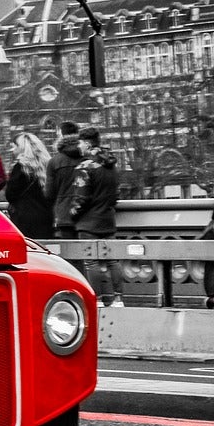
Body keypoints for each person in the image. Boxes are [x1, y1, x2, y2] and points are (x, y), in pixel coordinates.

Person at [71, 127, 123, 306]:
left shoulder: (84, 167)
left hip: (88, 223)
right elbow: (116, 194)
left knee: (91, 262)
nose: (79, 146)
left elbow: (81, 198)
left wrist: (73, 213)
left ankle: (97, 299)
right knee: (113, 260)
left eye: (80, 142)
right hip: (108, 219)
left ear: (86, 143)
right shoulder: (111, 164)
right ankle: (118, 298)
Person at [3, 131, 55, 238]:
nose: (12, 150)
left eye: (14, 147)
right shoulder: (47, 165)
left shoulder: (20, 167)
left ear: (21, 148)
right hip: (46, 217)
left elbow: (10, 194)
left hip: (24, 218)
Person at [47, 122, 82, 237]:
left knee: (69, 251)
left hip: (64, 214)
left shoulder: (55, 161)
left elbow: (49, 193)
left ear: (61, 136)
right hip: (88, 215)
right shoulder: (89, 158)